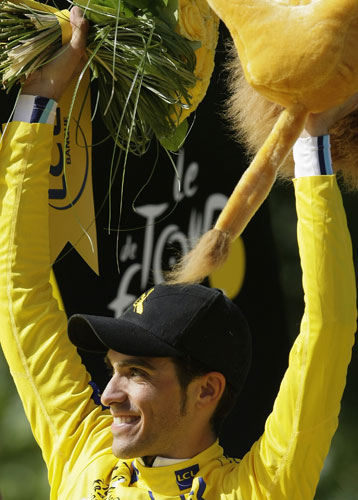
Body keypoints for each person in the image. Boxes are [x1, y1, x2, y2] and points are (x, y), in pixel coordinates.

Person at [0, 7, 357, 500]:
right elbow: (17, 291)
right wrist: (36, 105)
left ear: (206, 391)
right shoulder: (84, 451)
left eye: (136, 373)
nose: (107, 395)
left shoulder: (257, 489)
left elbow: (327, 330)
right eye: (117, 368)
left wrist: (313, 153)